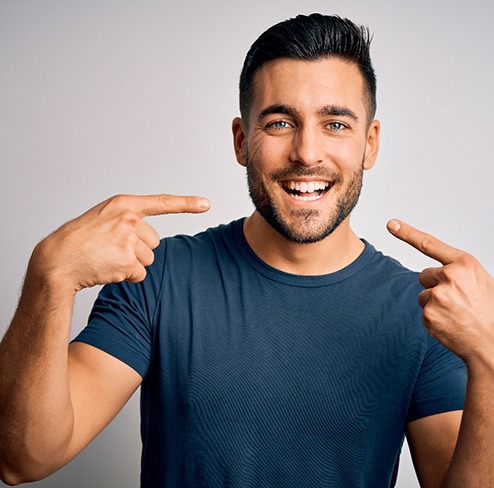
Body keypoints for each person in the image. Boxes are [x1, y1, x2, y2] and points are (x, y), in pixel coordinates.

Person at [0, 13, 493, 487]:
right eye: (279, 123)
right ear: (242, 141)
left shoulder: (426, 309)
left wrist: (489, 357)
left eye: (336, 124)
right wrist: (50, 275)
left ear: (370, 143)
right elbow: (23, 459)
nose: (306, 152)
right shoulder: (160, 277)